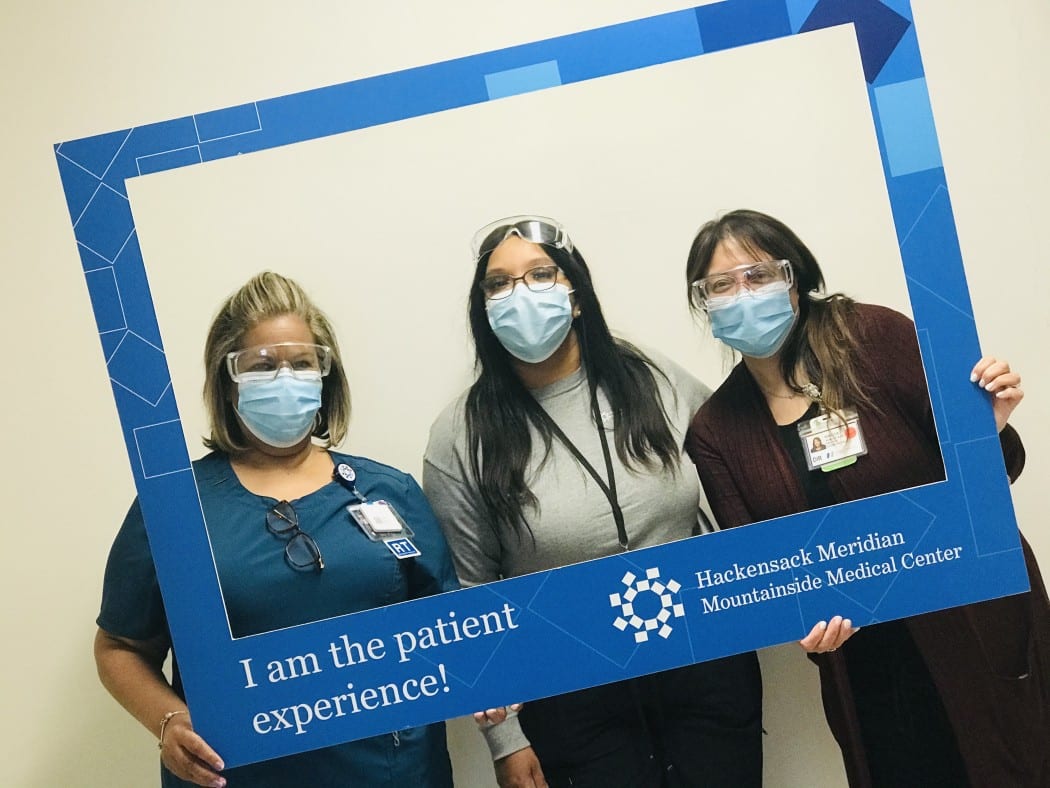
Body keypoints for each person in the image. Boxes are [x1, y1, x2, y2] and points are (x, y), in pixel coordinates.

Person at [683, 209, 1050, 787]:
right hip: (865, 666)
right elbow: (763, 571)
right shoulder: (716, 430)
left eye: (757, 275)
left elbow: (994, 475)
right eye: (720, 285)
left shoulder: (874, 338)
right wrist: (801, 619)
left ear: (794, 279)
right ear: (704, 304)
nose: (741, 294)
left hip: (972, 623)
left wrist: (988, 430)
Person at [423, 216, 763, 788]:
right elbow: (471, 594)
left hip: (703, 666)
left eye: (540, 274)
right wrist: (505, 740)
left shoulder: (650, 377)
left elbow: (742, 447)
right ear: (482, 308)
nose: (520, 294)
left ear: (576, 295)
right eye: (498, 284)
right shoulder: (461, 434)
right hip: (572, 696)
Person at [94, 272, 459, 788]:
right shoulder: (175, 506)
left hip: (391, 771)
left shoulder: (387, 491)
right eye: (263, 366)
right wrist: (170, 720)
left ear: (325, 375)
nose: (286, 377)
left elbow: (456, 627)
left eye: (303, 362)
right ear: (229, 380)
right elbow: (119, 646)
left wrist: (487, 683)